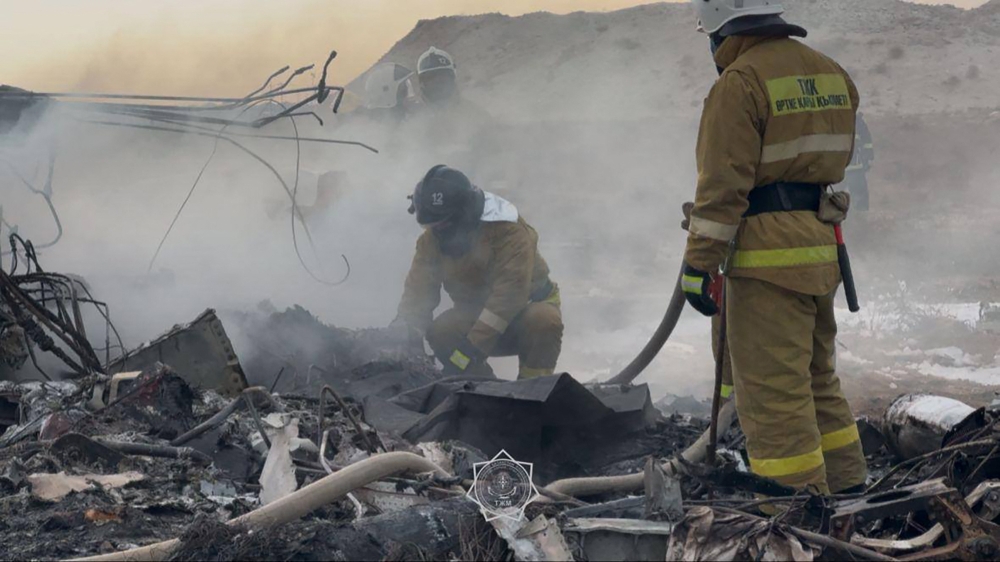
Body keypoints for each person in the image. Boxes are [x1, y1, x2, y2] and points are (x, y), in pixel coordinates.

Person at [681, 0, 867, 496]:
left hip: (766, 262)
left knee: (773, 397)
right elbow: (837, 160)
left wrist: (698, 266)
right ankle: (851, 492)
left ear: (720, 31)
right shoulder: (831, 73)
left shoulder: (739, 84)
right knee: (817, 379)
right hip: (819, 248)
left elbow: (723, 189)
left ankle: (797, 518)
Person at [391, 165, 563, 379]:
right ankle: (483, 390)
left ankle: (533, 391)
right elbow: (419, 292)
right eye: (431, 226)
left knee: (543, 320)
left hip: (523, 315)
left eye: (442, 225)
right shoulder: (432, 239)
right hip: (478, 314)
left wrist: (469, 351)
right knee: (441, 333)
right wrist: (404, 329)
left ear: (464, 215)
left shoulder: (507, 230)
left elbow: (508, 299)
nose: (436, 231)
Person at [841, 112, 874, 211]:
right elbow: (867, 142)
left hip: (848, 169)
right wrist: (868, 159)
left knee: (834, 198)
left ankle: (859, 218)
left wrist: (868, 158)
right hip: (853, 169)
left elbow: (867, 143)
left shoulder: (857, 122)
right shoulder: (858, 121)